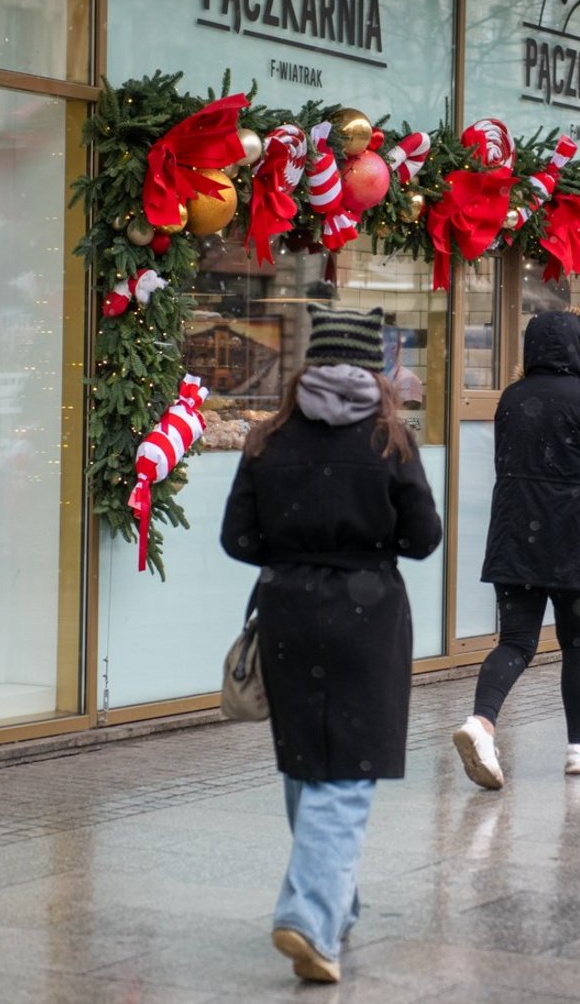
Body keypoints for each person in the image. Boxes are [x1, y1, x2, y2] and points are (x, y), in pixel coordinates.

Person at [220, 304, 442, 984]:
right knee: (347, 773)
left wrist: (294, 550)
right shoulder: (390, 441)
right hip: (367, 616)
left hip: (288, 612)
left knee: (305, 762)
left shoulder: (269, 439)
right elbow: (423, 538)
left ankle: (333, 903)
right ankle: (311, 919)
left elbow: (238, 539)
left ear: (307, 366)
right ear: (376, 371)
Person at [452, 308, 580, 790]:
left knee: (515, 643)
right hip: (575, 543)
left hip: (516, 540)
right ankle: (579, 748)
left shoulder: (512, 398)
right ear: (578, 348)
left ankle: (481, 724)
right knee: (577, 644)